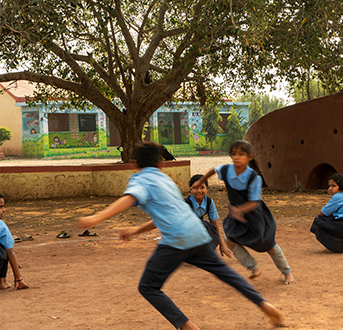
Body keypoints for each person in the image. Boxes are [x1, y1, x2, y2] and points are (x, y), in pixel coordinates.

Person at [76, 141, 284, 329]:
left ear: (133, 164)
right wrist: (136, 230)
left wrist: (96, 218)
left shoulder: (140, 179)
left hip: (176, 241)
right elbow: (163, 216)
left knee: (148, 287)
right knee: (227, 274)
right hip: (198, 234)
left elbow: (130, 198)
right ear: (161, 163)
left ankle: (186, 326)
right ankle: (264, 304)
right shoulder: (165, 180)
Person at [194, 140, 294, 284]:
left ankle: (287, 273)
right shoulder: (227, 170)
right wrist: (201, 180)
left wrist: (240, 210)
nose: (236, 157)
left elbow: (254, 202)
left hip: (255, 216)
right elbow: (214, 169)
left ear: (250, 157)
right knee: (230, 241)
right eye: (233, 154)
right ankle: (253, 267)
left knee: (269, 246)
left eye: (241, 154)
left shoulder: (254, 178)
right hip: (236, 215)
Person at [310, 173, 343, 253]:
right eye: (329, 186)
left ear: (341, 186)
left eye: (333, 186)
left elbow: (322, 213)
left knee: (319, 219)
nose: (330, 189)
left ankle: (334, 245)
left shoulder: (337, 196)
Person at [185, 174, 232, 257]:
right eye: (195, 188)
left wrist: (222, 244)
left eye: (202, 187)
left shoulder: (209, 202)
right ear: (190, 189)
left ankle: (202, 253)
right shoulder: (185, 204)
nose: (199, 191)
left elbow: (215, 225)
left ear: (207, 188)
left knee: (212, 231)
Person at [0, 193, 29, 291]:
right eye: (1, 207)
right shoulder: (1, 226)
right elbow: (10, 252)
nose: (4, 210)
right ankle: (2, 281)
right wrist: (18, 278)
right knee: (3, 249)